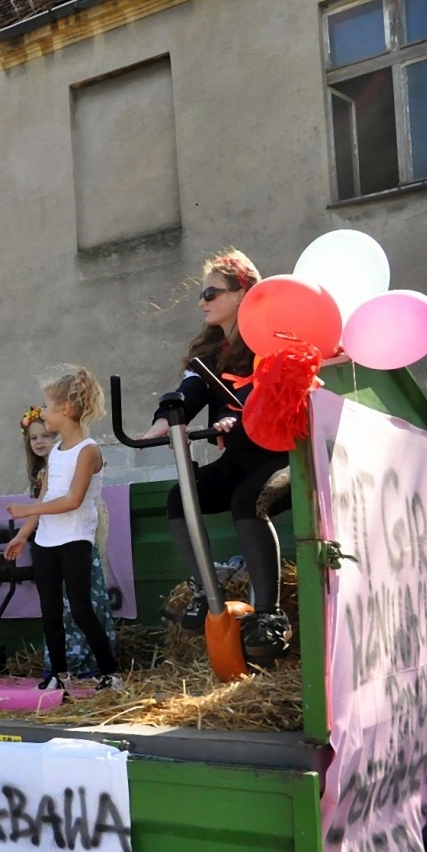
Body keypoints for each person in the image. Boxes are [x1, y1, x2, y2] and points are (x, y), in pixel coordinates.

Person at [142, 249, 290, 656]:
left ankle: (269, 616)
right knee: (181, 497)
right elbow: (188, 392)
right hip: (239, 460)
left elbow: (278, 395)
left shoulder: (270, 341)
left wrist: (242, 418)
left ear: (243, 294)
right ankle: (206, 588)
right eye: (202, 293)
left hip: (280, 457)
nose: (202, 301)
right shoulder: (207, 355)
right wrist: (165, 418)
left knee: (247, 502)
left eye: (212, 292)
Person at [6, 366, 122, 692]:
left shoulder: (88, 451)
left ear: (65, 410)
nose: (42, 412)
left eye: (46, 406)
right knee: (50, 611)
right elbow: (46, 494)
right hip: (46, 541)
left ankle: (110, 672)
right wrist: (23, 533)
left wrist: (30, 510)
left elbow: (72, 500)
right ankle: (59, 674)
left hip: (74, 539)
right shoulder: (55, 452)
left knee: (82, 609)